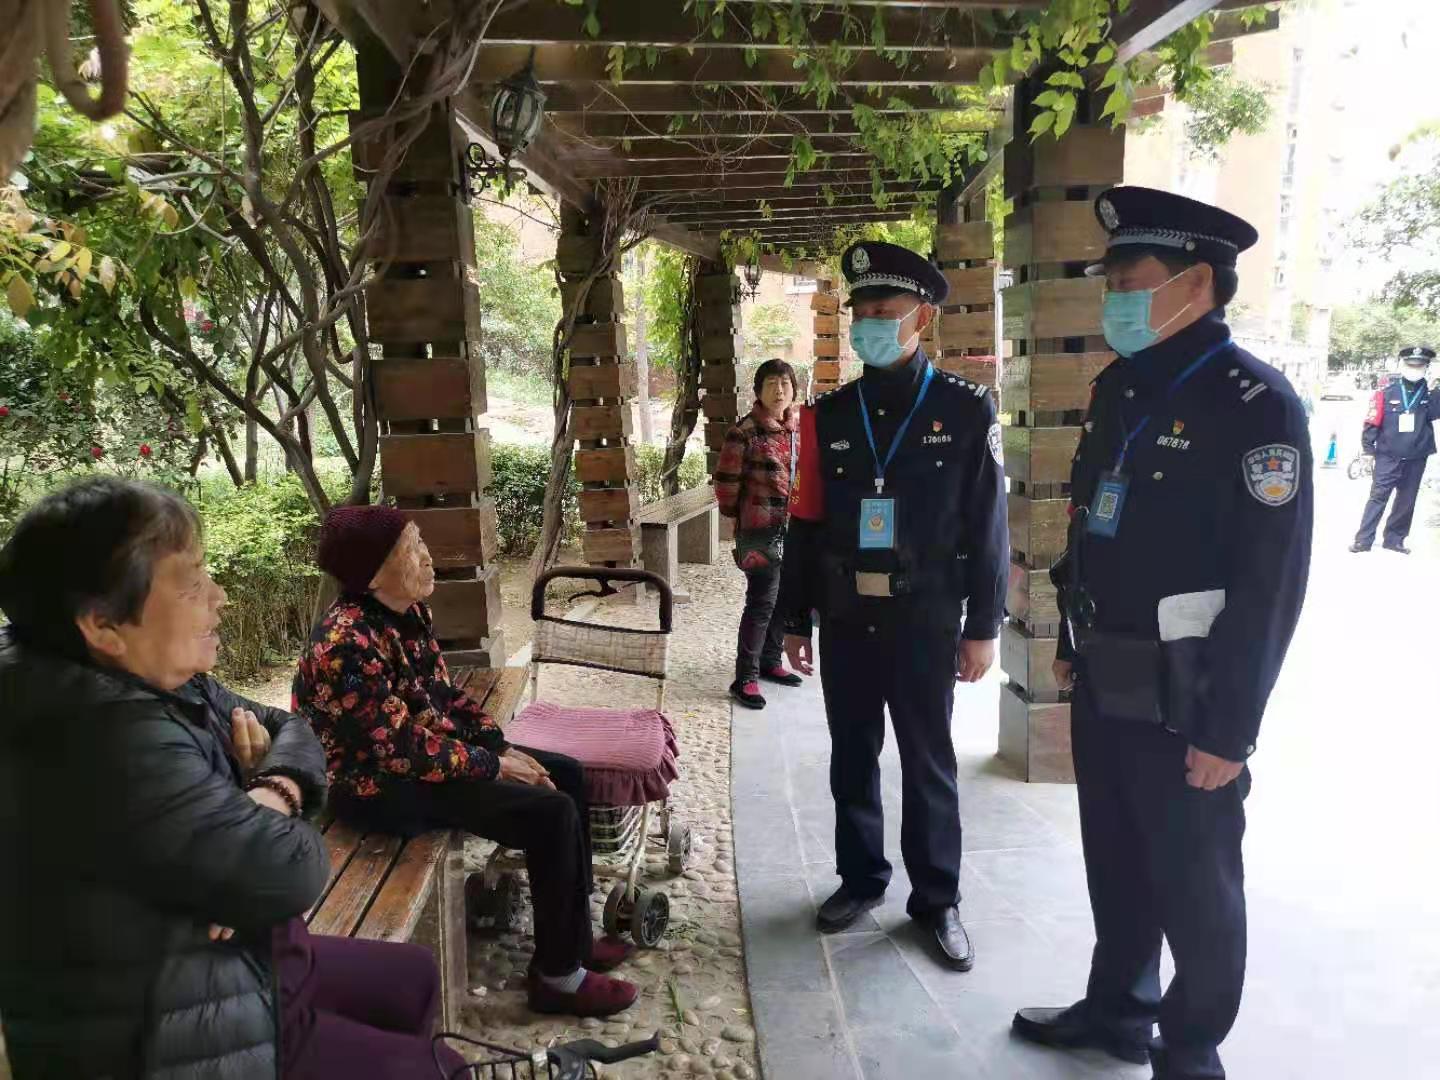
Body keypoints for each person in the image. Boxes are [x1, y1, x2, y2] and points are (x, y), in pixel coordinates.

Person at [0, 477, 468, 1079]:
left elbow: (289, 727)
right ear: (102, 624)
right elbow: (294, 870)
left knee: (412, 976)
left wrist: (274, 788)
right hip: (177, 1027)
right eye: (193, 582)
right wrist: (266, 807)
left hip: (235, 960)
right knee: (443, 1068)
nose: (219, 597)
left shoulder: (147, 673)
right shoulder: (101, 732)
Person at [1012, 187, 1313, 1080]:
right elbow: (1089, 528)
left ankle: (1190, 1047)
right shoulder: (1120, 387)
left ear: (1197, 284)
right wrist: (1069, 640)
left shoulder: (1256, 404)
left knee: (1196, 882)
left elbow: (1272, 586)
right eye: (1109, 283)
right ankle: (1118, 1009)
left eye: (1129, 282)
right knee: (1116, 856)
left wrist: (1230, 728)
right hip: (1108, 674)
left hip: (1192, 697)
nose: (1114, 299)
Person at [292, 505, 638, 1019]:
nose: (427, 556)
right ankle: (558, 978)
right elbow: (398, 749)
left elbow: (441, 697)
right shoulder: (345, 644)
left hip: (413, 762)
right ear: (372, 573)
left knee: (565, 773)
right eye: (411, 548)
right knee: (550, 813)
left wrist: (499, 747)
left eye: (421, 542)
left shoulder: (409, 613)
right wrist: (493, 766)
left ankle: (575, 939)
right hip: (372, 787)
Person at [777, 241, 1008, 971]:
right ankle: (861, 878)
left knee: (928, 760)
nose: (870, 323)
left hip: (925, 618)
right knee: (852, 755)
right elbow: (806, 522)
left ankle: (937, 899)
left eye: (884, 310)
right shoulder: (830, 414)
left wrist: (982, 627)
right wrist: (793, 618)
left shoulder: (964, 409)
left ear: (922, 318)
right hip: (848, 617)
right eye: (863, 312)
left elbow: (988, 527)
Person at [715, 356, 804, 710]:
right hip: (759, 532)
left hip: (794, 529)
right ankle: (745, 677)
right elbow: (726, 485)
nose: (779, 390)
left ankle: (770, 660)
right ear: (758, 391)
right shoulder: (744, 432)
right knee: (762, 601)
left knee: (786, 598)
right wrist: (741, 517)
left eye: (785, 383)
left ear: (793, 389)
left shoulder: (798, 429)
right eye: (771, 384)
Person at [1349, 345, 1437, 554]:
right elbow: (1372, 422)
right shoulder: (1386, 393)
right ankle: (1363, 540)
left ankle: (1394, 539)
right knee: (1378, 497)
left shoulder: (1432, 394)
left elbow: (1435, 413)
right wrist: (1368, 451)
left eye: (1419, 366)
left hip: (1416, 457)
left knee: (1407, 500)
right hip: (1388, 456)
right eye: (1411, 365)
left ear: (1426, 367)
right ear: (1403, 365)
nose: (1414, 369)